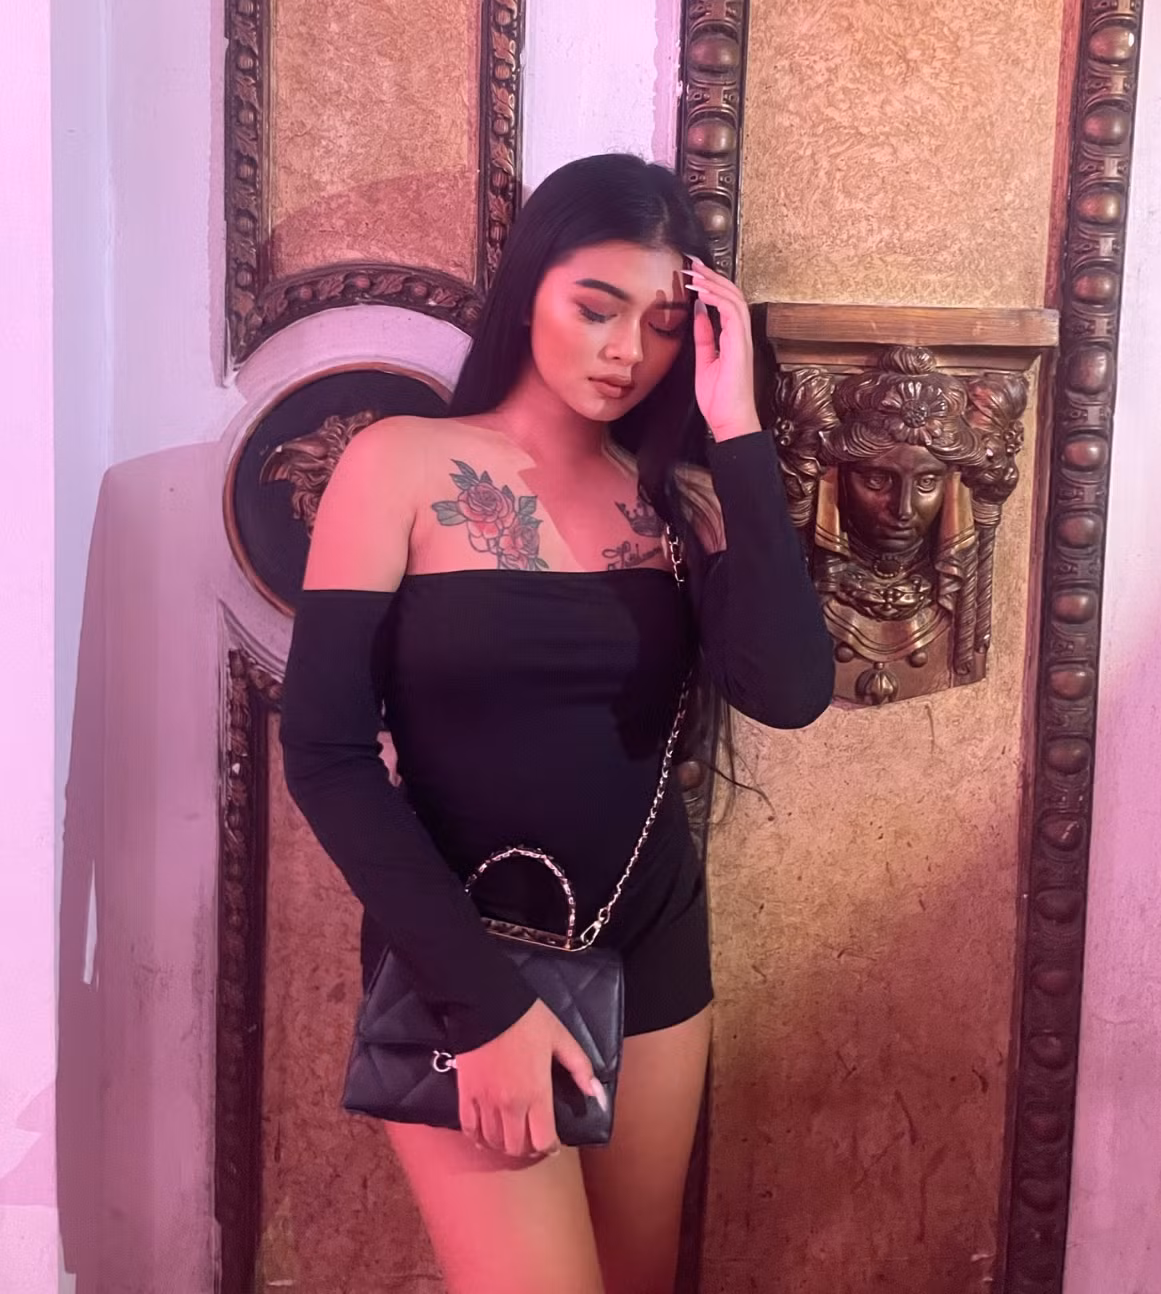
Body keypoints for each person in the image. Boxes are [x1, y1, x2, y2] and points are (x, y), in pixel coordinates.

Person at [280, 153, 833, 1294]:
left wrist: (735, 428)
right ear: (529, 285)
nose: (627, 350)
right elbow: (325, 754)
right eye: (595, 308)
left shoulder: (676, 497)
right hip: (459, 958)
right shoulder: (399, 465)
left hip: (653, 951)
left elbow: (788, 692)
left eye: (664, 325)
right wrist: (483, 1010)